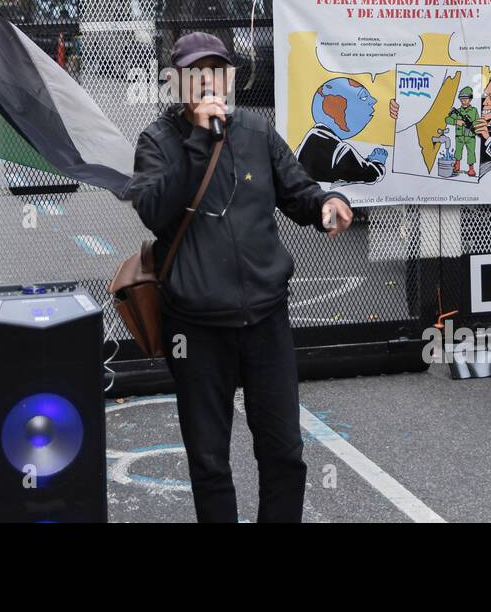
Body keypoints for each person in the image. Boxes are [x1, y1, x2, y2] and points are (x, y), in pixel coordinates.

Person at [126, 31, 355, 523]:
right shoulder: (158, 141)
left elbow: (297, 189)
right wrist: (195, 144)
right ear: (178, 81)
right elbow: (153, 210)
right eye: (194, 71)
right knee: (209, 462)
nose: (206, 80)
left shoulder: (255, 130)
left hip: (265, 319)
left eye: (215, 70)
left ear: (229, 77)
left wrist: (327, 205)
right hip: (197, 327)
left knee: (284, 454)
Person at [445, 85, 479, 176]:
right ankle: (457, 165)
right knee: (458, 151)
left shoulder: (474, 111)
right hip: (459, 136)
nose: (464, 101)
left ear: (470, 99)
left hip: (470, 136)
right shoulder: (458, 111)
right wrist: (457, 121)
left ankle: (471, 169)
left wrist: (472, 125)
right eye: (462, 99)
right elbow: (447, 119)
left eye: (466, 98)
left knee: (471, 152)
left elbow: (477, 122)